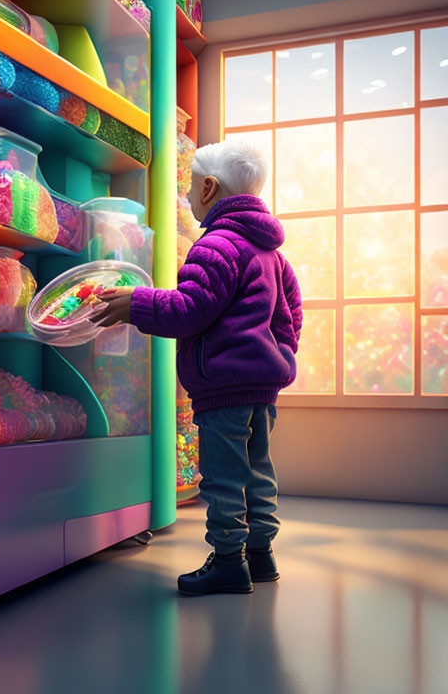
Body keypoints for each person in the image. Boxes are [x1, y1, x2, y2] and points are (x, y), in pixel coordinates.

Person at [91, 139, 302, 595]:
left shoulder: (217, 246)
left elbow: (189, 308)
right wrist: (280, 357)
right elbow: (292, 314)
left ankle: (229, 561)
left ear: (209, 188)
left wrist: (136, 304)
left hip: (223, 388)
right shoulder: (272, 254)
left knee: (224, 479)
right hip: (262, 387)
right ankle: (260, 556)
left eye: (189, 188)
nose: (186, 198)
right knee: (257, 472)